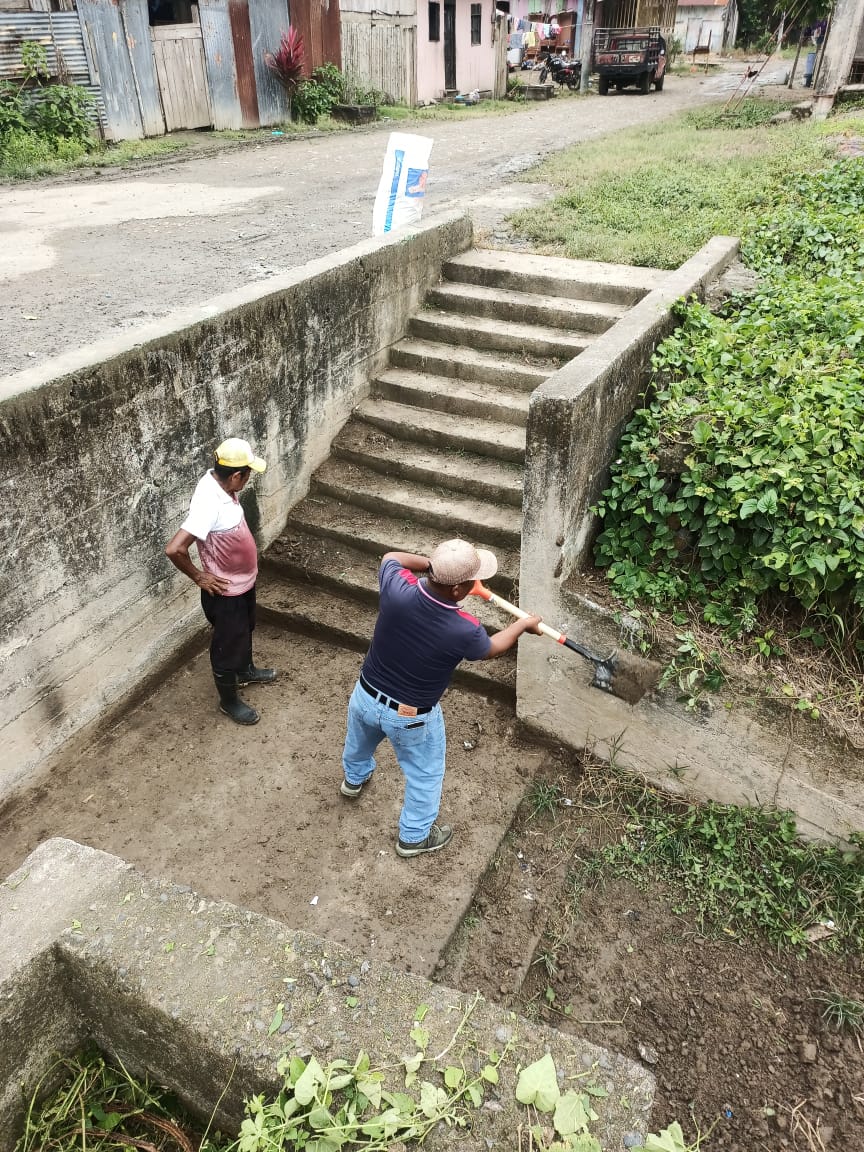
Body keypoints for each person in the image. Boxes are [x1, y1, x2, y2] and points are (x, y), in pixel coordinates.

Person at [340, 539, 541, 858]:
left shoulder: (396, 589)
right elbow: (490, 649)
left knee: (358, 742)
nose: (477, 584)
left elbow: (391, 557)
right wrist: (522, 626)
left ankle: (353, 780)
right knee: (425, 774)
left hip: (365, 695)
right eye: (473, 580)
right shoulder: (465, 630)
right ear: (458, 590)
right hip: (409, 715)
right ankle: (413, 837)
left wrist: (433, 566)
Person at [165, 437, 276, 726]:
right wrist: (199, 576)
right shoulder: (209, 504)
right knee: (227, 647)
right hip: (226, 592)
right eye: (247, 475)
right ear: (236, 476)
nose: (248, 479)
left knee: (246, 628)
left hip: (243, 583)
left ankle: (246, 671)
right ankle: (229, 702)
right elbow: (174, 549)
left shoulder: (220, 484)